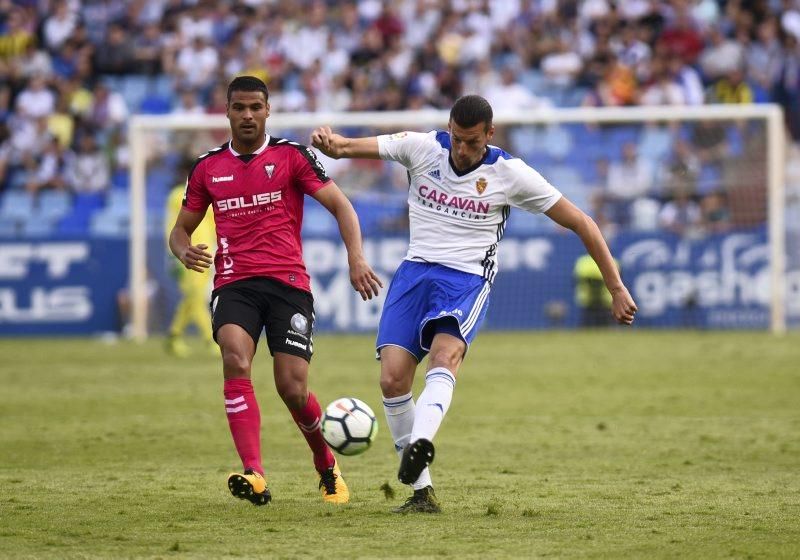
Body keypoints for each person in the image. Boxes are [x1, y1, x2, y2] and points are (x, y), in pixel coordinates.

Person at [311, 94, 637, 514]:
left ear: (490, 134)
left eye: (471, 142)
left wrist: (615, 287)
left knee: (444, 357)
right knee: (393, 381)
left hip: (466, 279)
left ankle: (422, 441)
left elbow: (582, 222)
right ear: (447, 128)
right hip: (414, 273)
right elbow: (346, 147)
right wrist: (328, 139)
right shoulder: (422, 147)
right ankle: (422, 495)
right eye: (456, 139)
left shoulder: (510, 173)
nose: (461, 150)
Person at [169, 76, 382, 507]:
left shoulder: (291, 157)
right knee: (234, 357)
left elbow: (342, 206)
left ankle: (326, 466)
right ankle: (255, 473)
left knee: (293, 388)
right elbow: (180, 231)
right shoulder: (208, 167)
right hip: (235, 284)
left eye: (255, 107)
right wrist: (183, 251)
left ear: (268, 111)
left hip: (288, 285)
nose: (247, 115)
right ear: (227, 112)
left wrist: (356, 258)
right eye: (239, 108)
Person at [164, 164, 216, 358]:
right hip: (187, 254)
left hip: (207, 254)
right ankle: (210, 340)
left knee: (193, 297)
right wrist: (173, 255)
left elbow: (214, 225)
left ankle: (173, 336)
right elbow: (175, 227)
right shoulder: (178, 195)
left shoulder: (210, 193)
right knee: (195, 296)